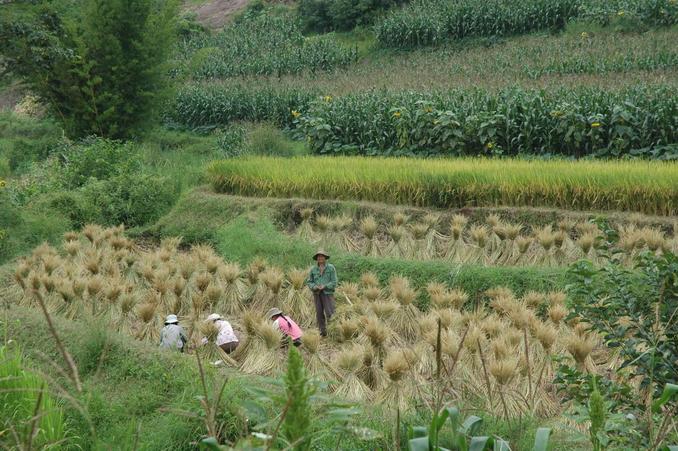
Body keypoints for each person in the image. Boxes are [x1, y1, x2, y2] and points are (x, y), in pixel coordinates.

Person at [306, 249, 337, 337]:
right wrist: (314, 287)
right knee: (319, 313)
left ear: (325, 258)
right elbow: (309, 282)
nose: (320, 258)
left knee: (330, 312)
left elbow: (334, 282)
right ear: (317, 258)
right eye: (319, 257)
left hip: (327, 294)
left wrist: (325, 286)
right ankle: (322, 332)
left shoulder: (331, 268)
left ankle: (333, 332)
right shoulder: (313, 269)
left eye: (322, 256)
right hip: (317, 294)